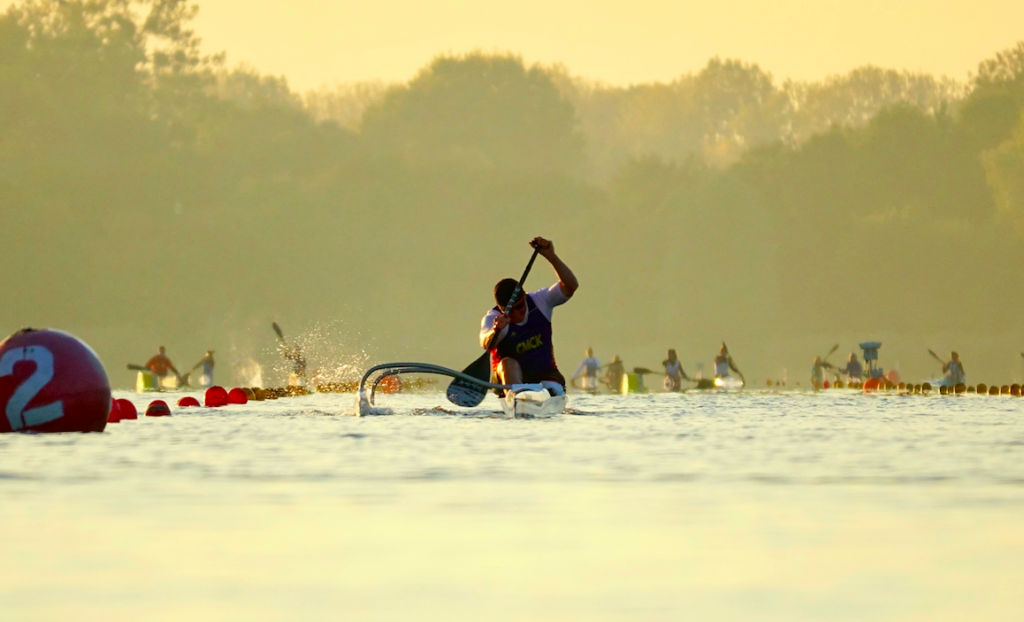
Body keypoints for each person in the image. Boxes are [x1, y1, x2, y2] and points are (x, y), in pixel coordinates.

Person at [479, 237, 578, 391]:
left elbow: (571, 286)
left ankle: (541, 395)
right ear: (501, 308)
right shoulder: (494, 318)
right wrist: (496, 330)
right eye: (511, 310)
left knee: (553, 388)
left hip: (545, 374)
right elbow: (485, 342)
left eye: (520, 306)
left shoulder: (540, 301)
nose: (517, 313)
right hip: (510, 377)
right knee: (508, 363)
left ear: (524, 295)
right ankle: (517, 397)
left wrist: (550, 255)